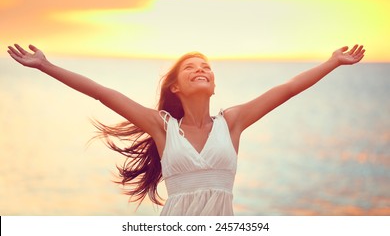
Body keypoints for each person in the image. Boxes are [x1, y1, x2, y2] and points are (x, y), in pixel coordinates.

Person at [7, 44, 365, 215]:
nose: (201, 69)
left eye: (206, 67)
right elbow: (104, 94)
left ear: (213, 84)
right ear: (175, 87)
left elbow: (287, 89)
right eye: (191, 67)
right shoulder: (162, 128)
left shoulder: (232, 122)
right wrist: (46, 66)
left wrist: (333, 62)